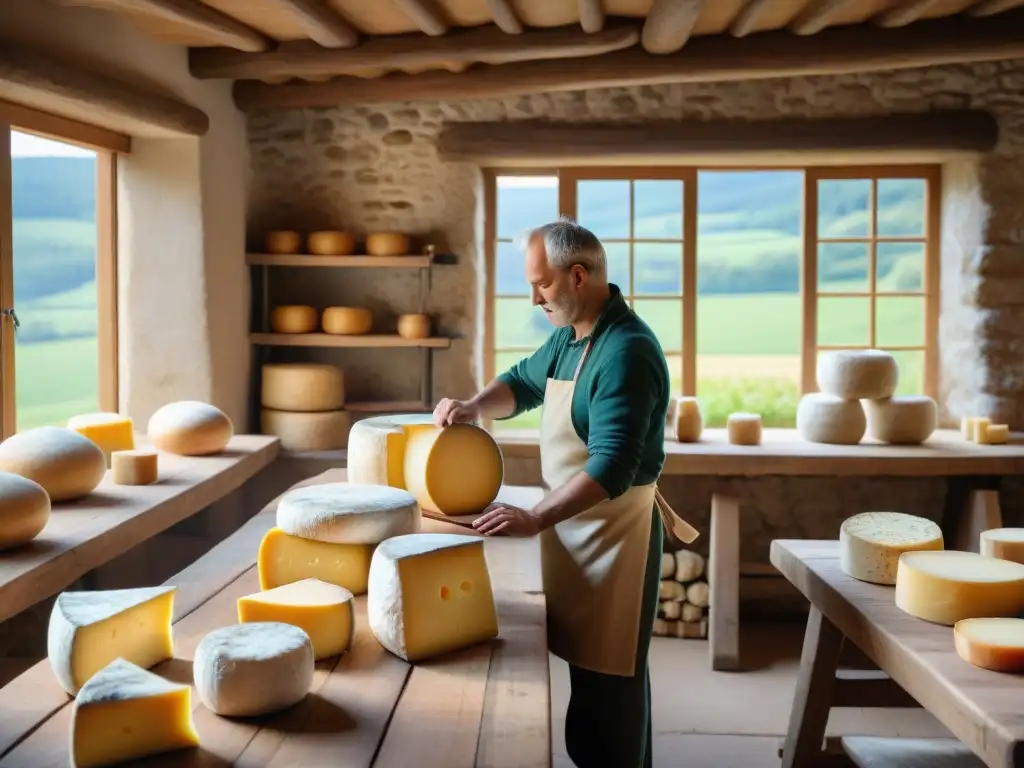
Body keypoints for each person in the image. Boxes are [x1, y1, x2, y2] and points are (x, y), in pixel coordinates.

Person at [432, 216, 698, 768]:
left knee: (611, 696)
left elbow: (613, 465)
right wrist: (474, 407)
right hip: (575, 533)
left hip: (614, 541)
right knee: (588, 690)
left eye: (542, 284)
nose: (535, 298)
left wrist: (534, 517)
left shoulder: (626, 351)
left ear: (579, 276)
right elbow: (523, 383)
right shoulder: (572, 335)